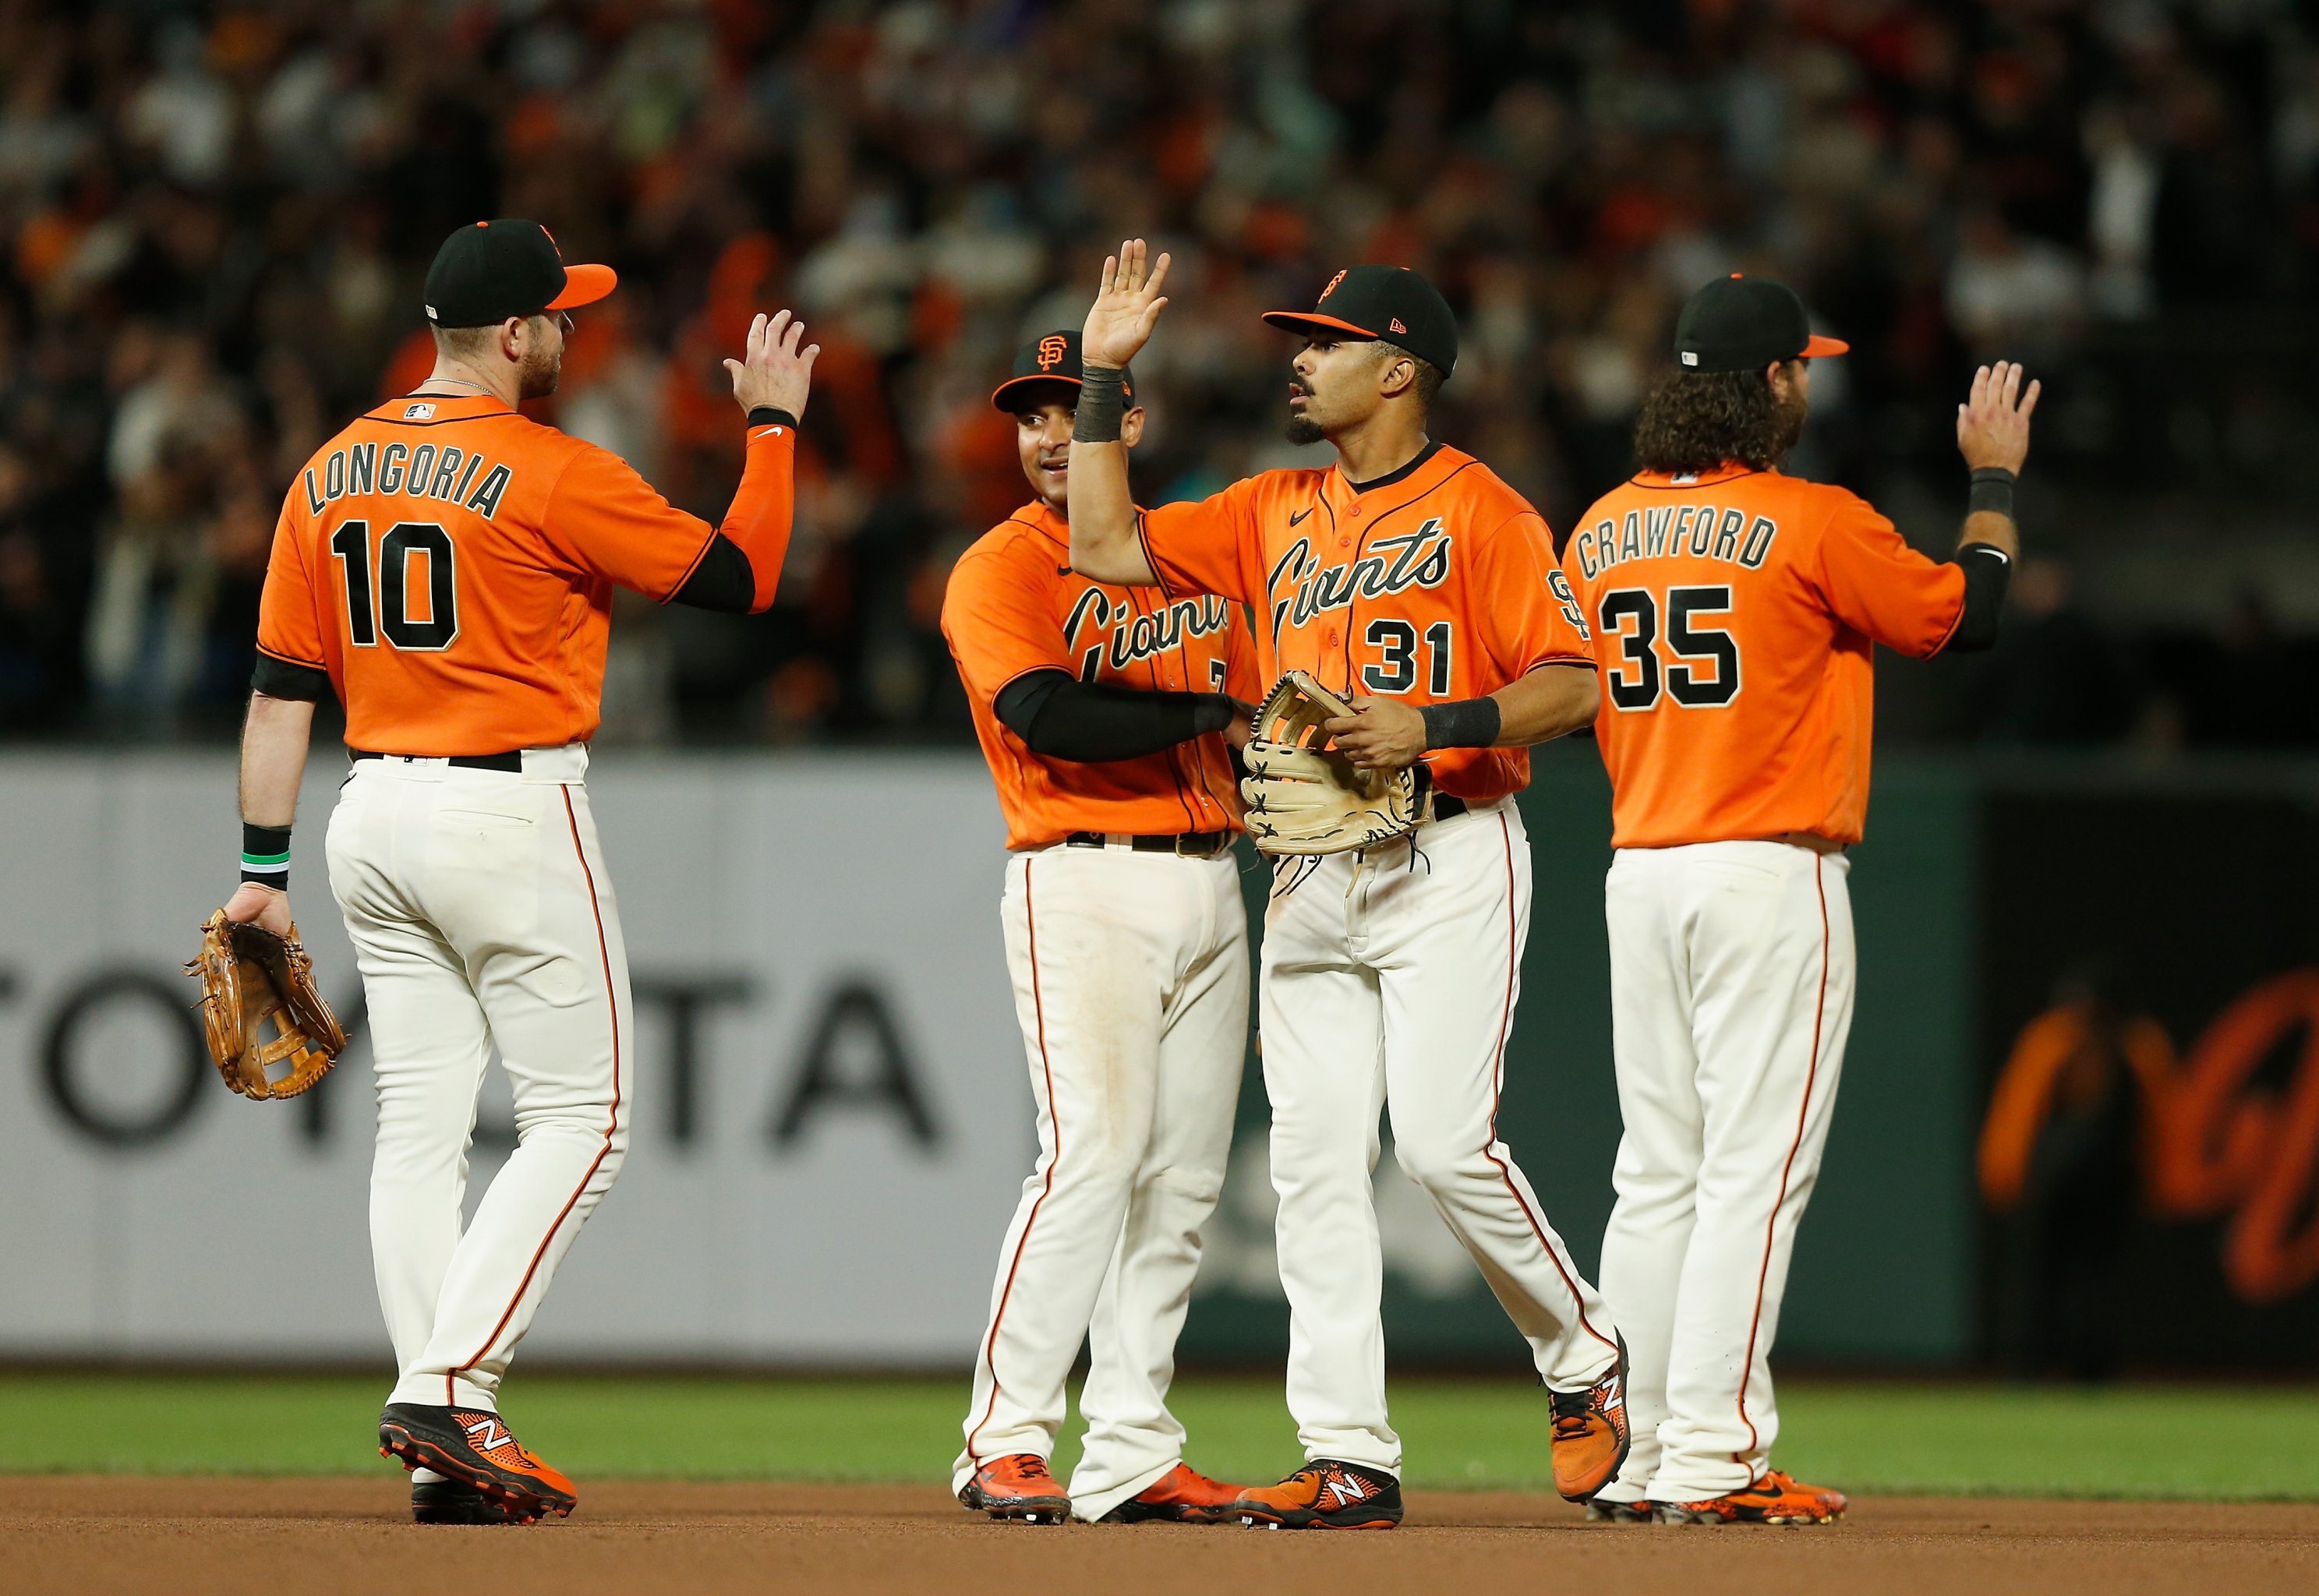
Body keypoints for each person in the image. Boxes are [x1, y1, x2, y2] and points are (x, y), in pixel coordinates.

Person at [217, 218, 816, 1525]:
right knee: (584, 1122)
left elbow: (276, 695)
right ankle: (447, 1389)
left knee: (419, 1131)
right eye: (559, 316)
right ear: (510, 335)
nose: (570, 332)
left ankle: (447, 1437)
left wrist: (261, 873)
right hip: (505, 812)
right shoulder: (546, 468)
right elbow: (743, 577)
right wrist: (772, 431)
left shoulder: (329, 470)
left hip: (365, 813)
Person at [1066, 242, 1629, 1530]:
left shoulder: (1484, 510)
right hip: (1312, 870)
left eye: (1327, 342)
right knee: (1316, 1168)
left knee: (1439, 1145)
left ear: (1403, 369)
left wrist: (1431, 724)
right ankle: (1348, 1454)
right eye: (1299, 341)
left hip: (1450, 847)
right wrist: (1102, 375)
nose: (1302, 360)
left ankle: (1583, 1353)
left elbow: (1577, 683)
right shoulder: (1267, 507)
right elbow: (1101, 543)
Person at [1559, 274, 2036, 1524]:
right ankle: (1714, 1456)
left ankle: (1647, 1450)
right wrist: (1992, 483)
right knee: (1751, 1177)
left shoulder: (1598, 524)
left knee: (1654, 1175)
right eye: (1799, 368)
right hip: (1766, 870)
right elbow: (1968, 619)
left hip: (1640, 868)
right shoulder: (1811, 519)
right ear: (1771, 385)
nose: (1808, 383)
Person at [942, 331, 1260, 1525]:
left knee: (1181, 1182)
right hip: (1080, 876)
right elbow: (1045, 712)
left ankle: (1130, 1443)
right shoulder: (999, 567)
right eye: (1029, 415)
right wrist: (1218, 710)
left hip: (1213, 879)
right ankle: (1004, 1436)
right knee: (1091, 1157)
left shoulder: (1188, 556)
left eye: (1069, 411)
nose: (1046, 435)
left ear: (1125, 426)